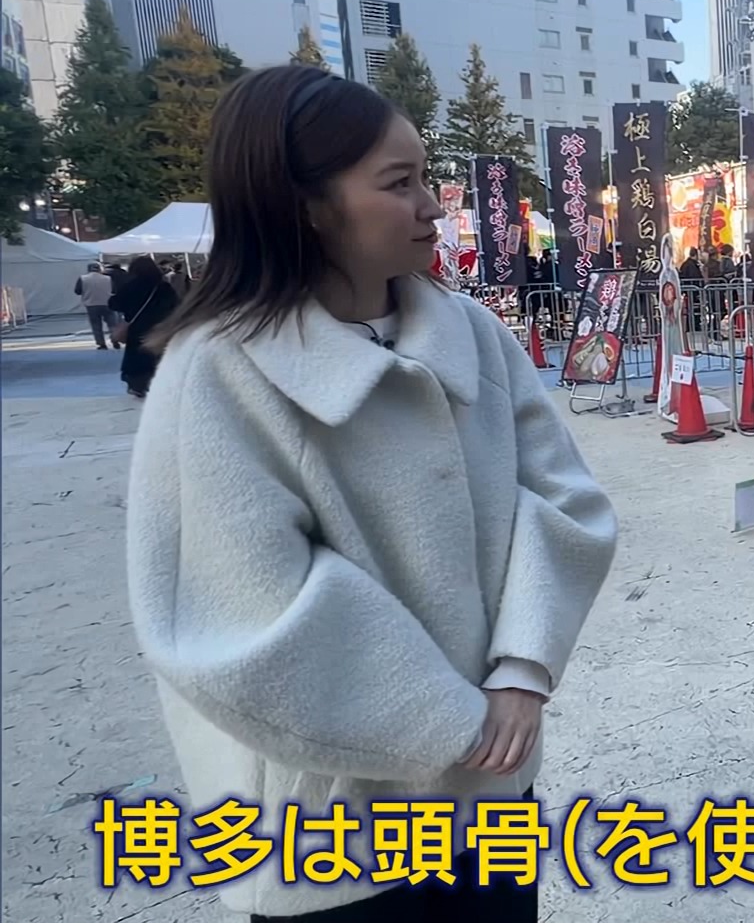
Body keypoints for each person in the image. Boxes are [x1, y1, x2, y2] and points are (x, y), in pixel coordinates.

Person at [124, 65, 618, 921]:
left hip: (492, 799)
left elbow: (560, 499)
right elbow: (240, 612)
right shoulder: (220, 373)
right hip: (330, 833)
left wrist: (522, 670)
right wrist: (454, 723)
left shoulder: (470, 333)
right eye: (399, 184)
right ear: (307, 205)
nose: (431, 207)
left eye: (427, 178)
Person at [110, 256, 180, 398]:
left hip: (137, 327)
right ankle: (160, 383)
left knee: (136, 355)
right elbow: (175, 305)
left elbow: (114, 303)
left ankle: (137, 384)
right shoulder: (163, 287)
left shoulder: (131, 286)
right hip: (159, 326)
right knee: (158, 355)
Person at [75, 262, 118, 350]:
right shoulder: (108, 278)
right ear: (99, 269)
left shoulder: (83, 278)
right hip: (107, 303)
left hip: (91, 304)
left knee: (96, 325)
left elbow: (77, 291)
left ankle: (101, 344)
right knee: (112, 324)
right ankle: (115, 340)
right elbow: (114, 290)